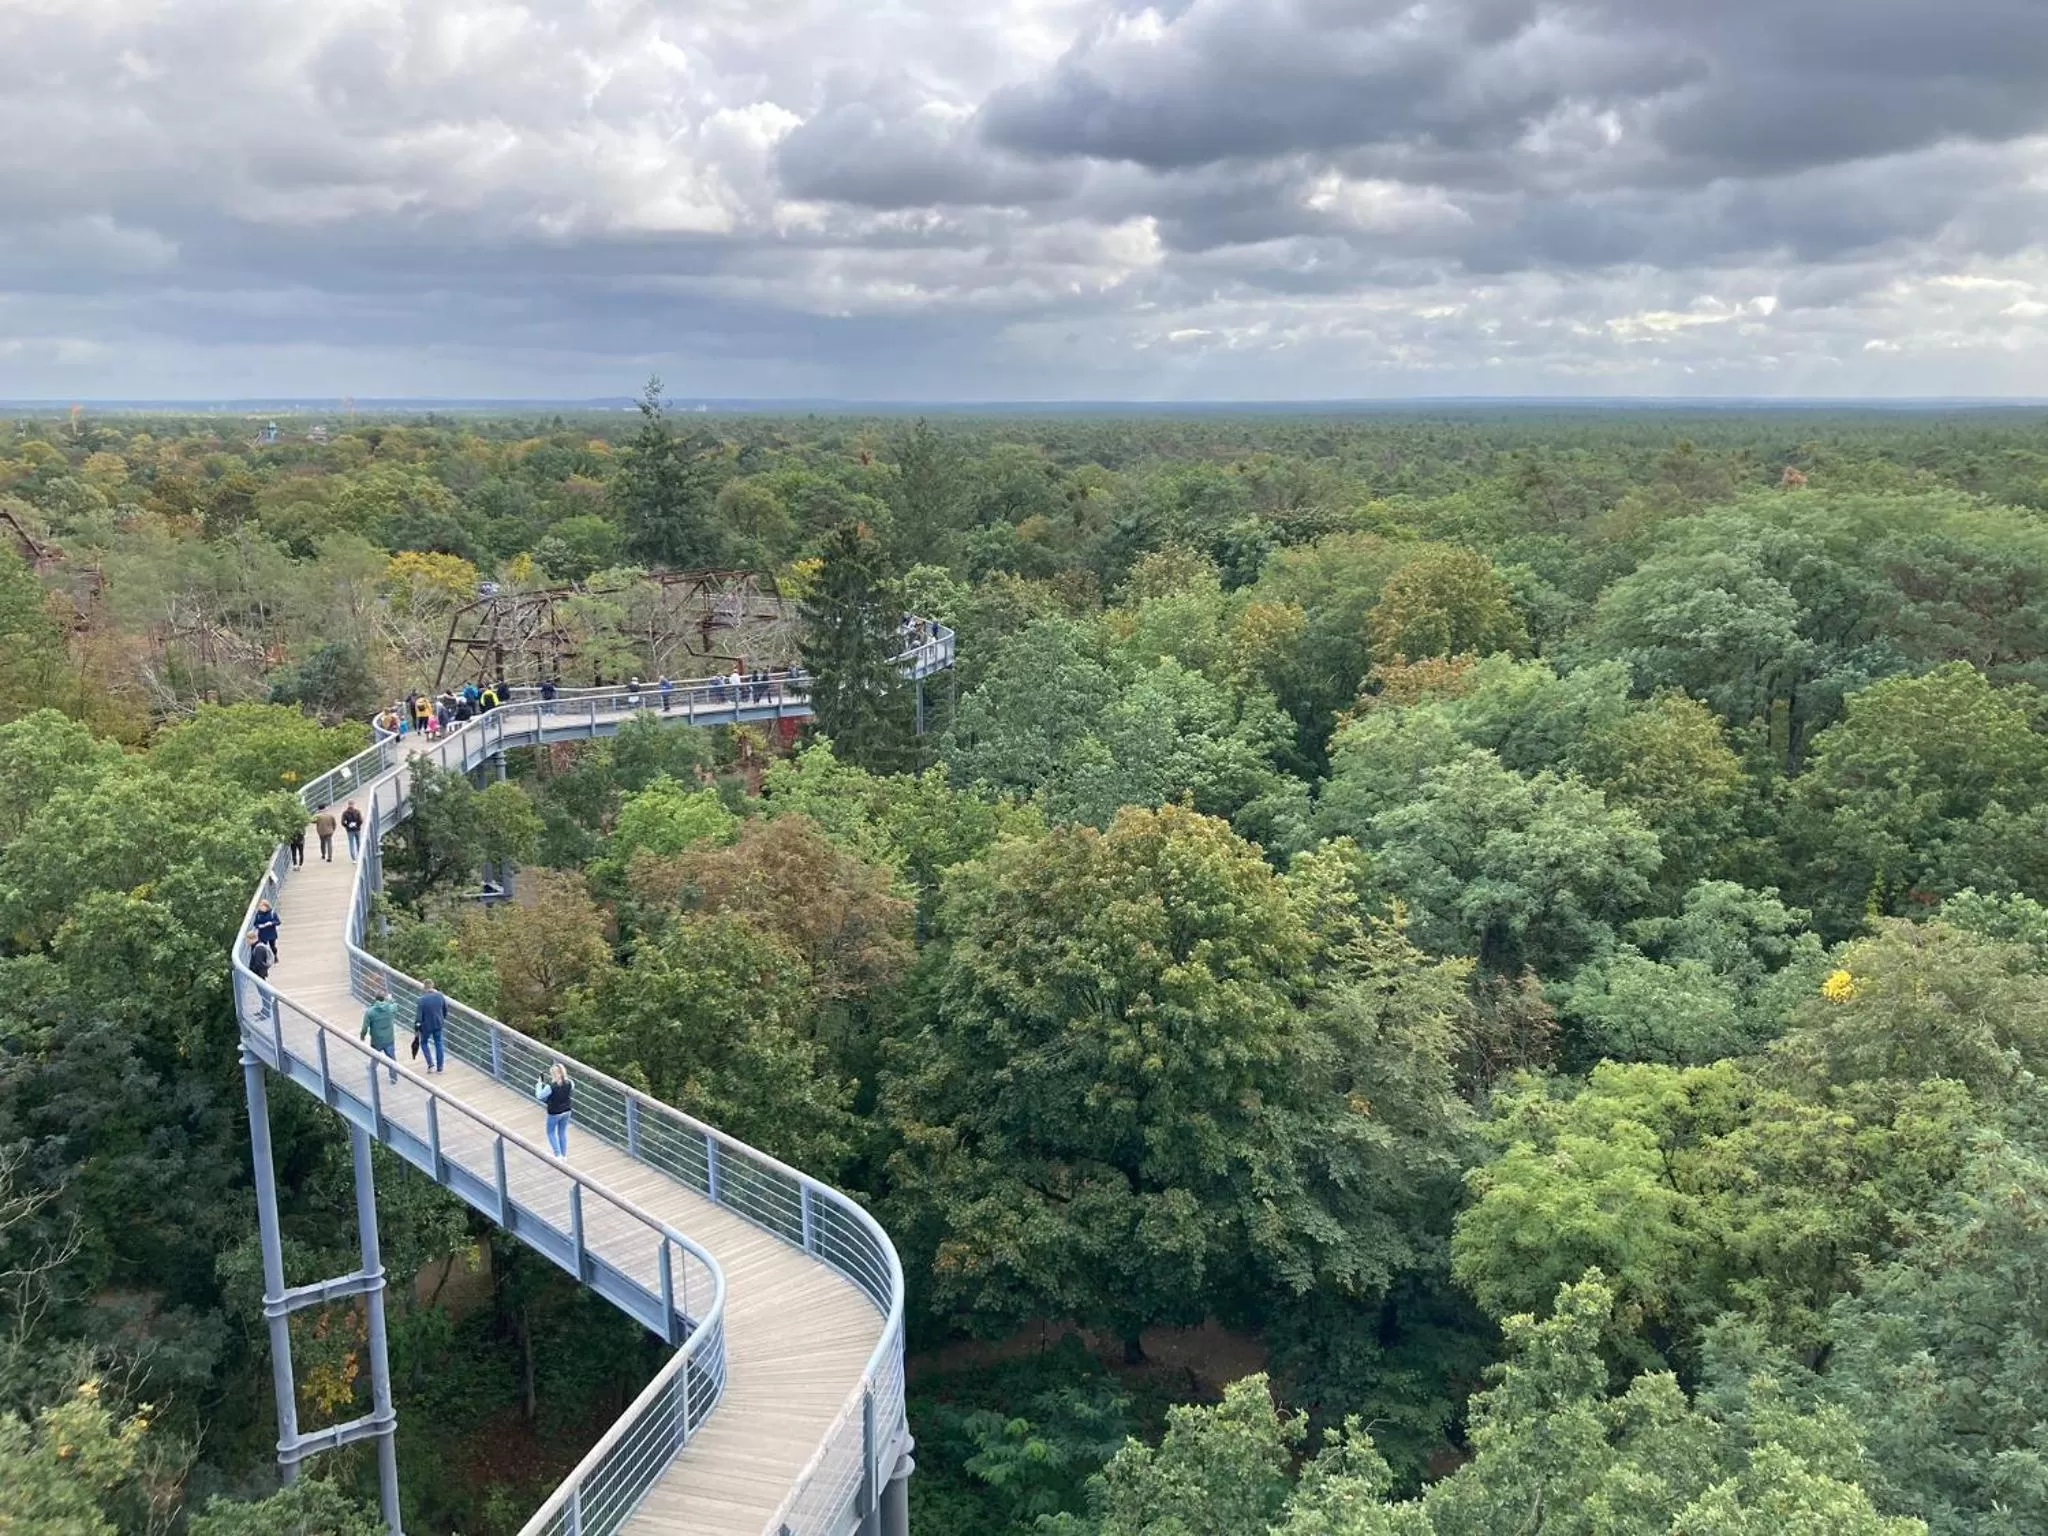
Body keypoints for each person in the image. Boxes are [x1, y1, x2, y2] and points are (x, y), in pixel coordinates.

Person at [360, 982, 399, 1083]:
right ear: (384, 998)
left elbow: (365, 1026)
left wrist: (362, 1036)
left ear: (375, 998)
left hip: (376, 1039)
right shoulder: (390, 1008)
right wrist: (391, 999)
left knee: (375, 1058)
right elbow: (395, 1005)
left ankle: (372, 1072)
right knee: (391, 1058)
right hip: (389, 1038)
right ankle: (393, 1077)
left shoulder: (370, 1011)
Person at [535, 1063, 573, 1157]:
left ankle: (558, 1154)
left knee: (550, 1132)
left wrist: (539, 1084)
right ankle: (564, 1155)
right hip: (567, 1110)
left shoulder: (550, 1087)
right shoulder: (570, 1083)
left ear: (553, 1074)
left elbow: (539, 1096)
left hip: (554, 1112)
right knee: (562, 1132)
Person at [413, 979, 448, 1073]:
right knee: (439, 1043)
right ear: (433, 985)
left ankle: (431, 1064)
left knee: (424, 1043)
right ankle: (440, 1067)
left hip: (426, 1026)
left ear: (424, 987)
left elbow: (419, 1017)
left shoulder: (421, 1000)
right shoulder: (440, 996)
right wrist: (442, 1019)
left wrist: (416, 1028)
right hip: (438, 1023)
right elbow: (445, 1009)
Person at [245, 928, 275, 1020]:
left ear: (250, 939)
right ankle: (264, 1010)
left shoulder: (259, 948)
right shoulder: (257, 946)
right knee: (262, 992)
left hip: (259, 974)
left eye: (247, 940)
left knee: (264, 993)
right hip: (259, 974)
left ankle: (266, 1013)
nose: (246, 942)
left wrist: (253, 971)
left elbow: (259, 963)